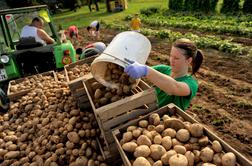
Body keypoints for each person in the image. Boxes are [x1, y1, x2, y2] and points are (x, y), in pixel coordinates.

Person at [124, 38, 204, 111]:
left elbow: (174, 87)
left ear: (189, 60)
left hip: (166, 121)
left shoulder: (191, 83)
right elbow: (142, 72)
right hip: (150, 112)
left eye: (176, 58)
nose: (171, 60)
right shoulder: (163, 69)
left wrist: (146, 70)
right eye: (171, 56)